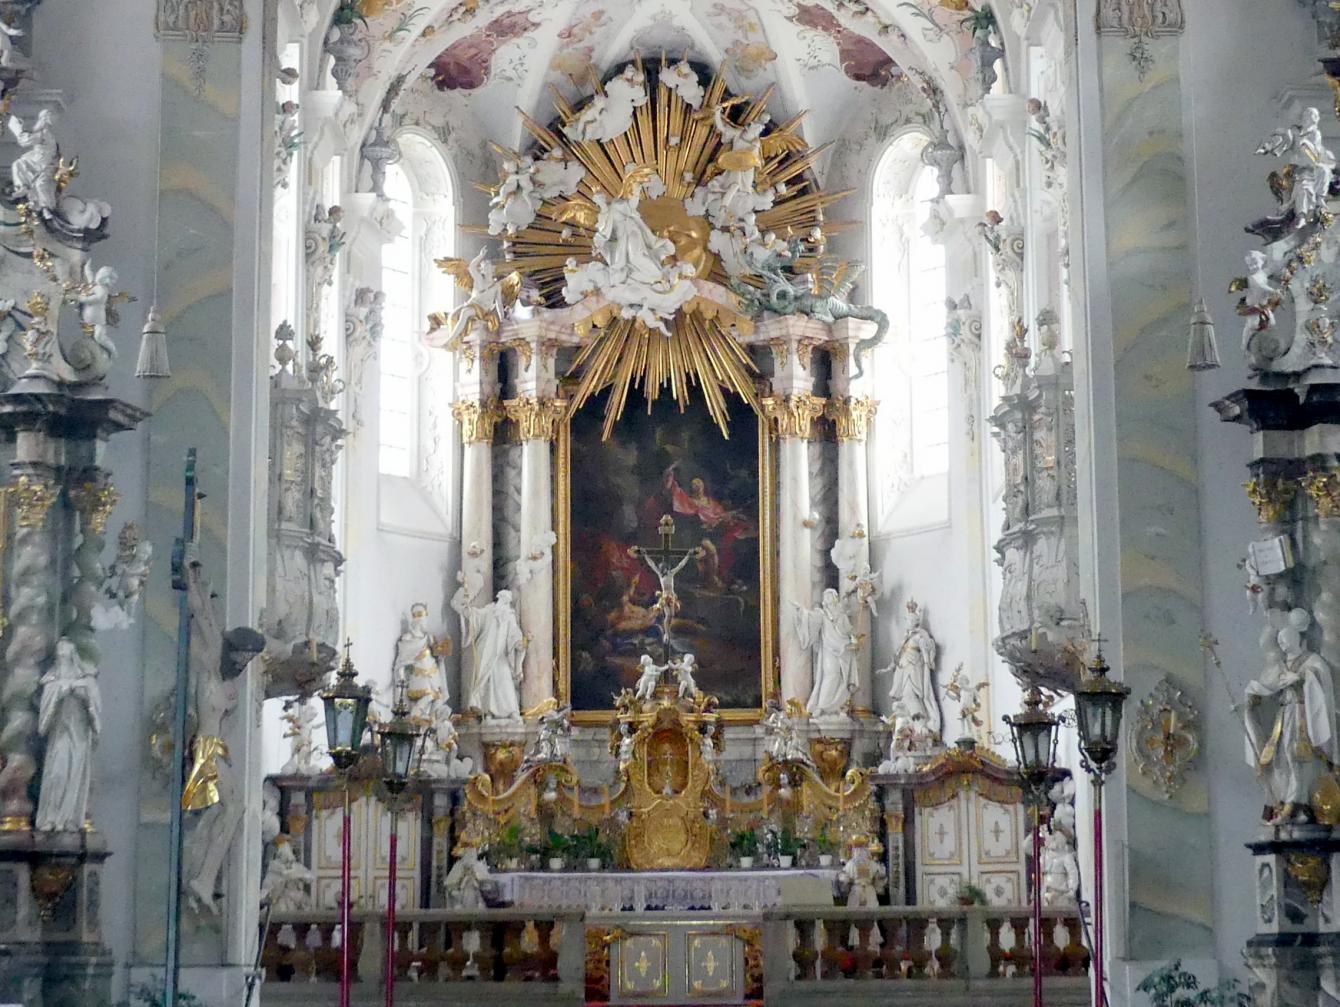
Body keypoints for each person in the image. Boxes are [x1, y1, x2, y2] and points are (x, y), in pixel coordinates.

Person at [1242, 608, 1338, 823]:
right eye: (1280, 641)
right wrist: (1253, 697)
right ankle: (1283, 800)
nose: (1283, 644)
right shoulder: (1281, 665)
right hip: (1286, 715)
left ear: (1296, 638)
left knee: (1297, 757)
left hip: (1305, 717)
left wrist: (1302, 680)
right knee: (1279, 758)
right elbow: (1268, 686)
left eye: (1285, 640)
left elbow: (1321, 682)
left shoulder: (1313, 660)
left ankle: (1297, 804)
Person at [452, 573, 526, 721]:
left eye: (508, 601)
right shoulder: (488, 611)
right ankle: (488, 712)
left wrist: (519, 642)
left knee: (505, 682)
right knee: (488, 683)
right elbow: (474, 616)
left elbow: (514, 633)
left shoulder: (509, 616)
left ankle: (511, 711)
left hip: (501, 656)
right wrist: (467, 608)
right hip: (486, 653)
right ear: (499, 599)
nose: (505, 603)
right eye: (503, 599)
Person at [793, 589, 858, 717]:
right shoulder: (822, 614)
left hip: (844, 651)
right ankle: (822, 706)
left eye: (830, 596)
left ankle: (836, 707)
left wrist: (854, 638)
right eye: (826, 596)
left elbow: (849, 631)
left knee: (841, 678)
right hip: (829, 649)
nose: (828, 598)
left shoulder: (842, 615)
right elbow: (810, 618)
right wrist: (800, 611)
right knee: (830, 674)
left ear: (835, 598)